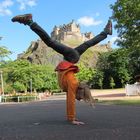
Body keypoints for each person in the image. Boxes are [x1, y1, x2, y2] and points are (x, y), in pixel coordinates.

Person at [11, 14, 112, 125]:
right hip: (71, 57)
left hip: (72, 58)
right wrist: (71, 119)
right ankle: (29, 21)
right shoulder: (73, 84)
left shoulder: (73, 84)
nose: (78, 99)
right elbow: (70, 102)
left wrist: (72, 117)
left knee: (88, 43)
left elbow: (71, 99)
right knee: (50, 42)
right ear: (80, 92)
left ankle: (106, 32)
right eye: (80, 97)